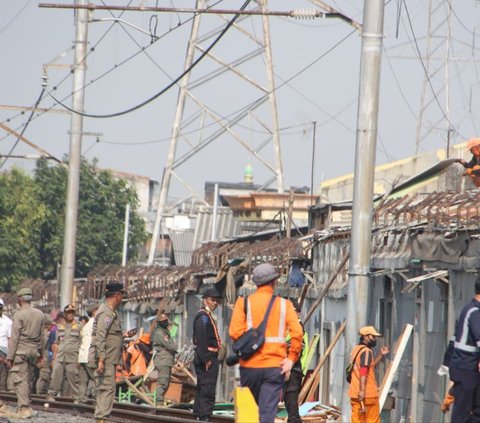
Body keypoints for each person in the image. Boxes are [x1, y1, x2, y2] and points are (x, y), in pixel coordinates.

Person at [229, 263, 303, 423]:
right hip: (274, 367)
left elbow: (234, 332)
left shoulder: (243, 303)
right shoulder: (285, 305)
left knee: (250, 412)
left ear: (255, 282)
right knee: (267, 412)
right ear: (275, 281)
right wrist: (291, 359)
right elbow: (297, 333)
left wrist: (251, 343)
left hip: (249, 367)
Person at [89, 282, 136, 423]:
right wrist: (101, 360)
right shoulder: (106, 313)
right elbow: (100, 336)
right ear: (116, 295)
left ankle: (101, 418)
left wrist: (123, 335)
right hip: (105, 358)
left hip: (109, 358)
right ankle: (101, 419)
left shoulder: (111, 312)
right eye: (121, 295)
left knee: (107, 388)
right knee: (106, 389)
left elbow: (110, 335)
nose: (122, 298)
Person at [6, 287, 45, 419]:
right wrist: (42, 354)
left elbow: (15, 337)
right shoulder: (40, 314)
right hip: (34, 351)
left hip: (21, 351)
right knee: (29, 379)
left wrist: (10, 356)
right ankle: (27, 405)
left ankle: (23, 408)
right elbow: (42, 337)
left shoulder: (19, 314)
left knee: (20, 379)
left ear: (20, 299)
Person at [448, 277, 480, 422]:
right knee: (463, 413)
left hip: (466, 368)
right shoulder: (474, 312)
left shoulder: (469, 309)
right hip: (466, 368)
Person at [192, 286, 223, 421]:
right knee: (207, 387)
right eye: (212, 300)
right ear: (205, 300)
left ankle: (199, 414)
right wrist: (206, 358)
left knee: (203, 386)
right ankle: (204, 416)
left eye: (216, 300)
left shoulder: (207, 315)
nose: (215, 303)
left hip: (209, 356)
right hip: (207, 357)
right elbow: (201, 338)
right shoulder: (203, 317)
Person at [348, 326, 390, 423]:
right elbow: (364, 370)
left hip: (355, 394)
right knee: (372, 420)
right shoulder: (366, 351)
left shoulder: (356, 350)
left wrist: (381, 355)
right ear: (365, 336)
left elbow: (370, 366)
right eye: (373, 336)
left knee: (357, 421)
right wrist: (362, 390)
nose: (374, 339)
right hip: (368, 395)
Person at [47, 304, 81, 400]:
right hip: (60, 356)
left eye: (72, 312)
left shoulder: (79, 326)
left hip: (73, 356)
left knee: (74, 378)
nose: (70, 314)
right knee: (55, 375)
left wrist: (80, 358)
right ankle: (52, 395)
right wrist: (54, 358)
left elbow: (82, 343)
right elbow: (56, 343)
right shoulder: (59, 327)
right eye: (68, 312)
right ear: (65, 314)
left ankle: (76, 397)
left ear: (74, 313)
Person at [284, 299, 307, 423]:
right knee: (289, 403)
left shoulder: (298, 328)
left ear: (297, 313)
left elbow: (294, 347)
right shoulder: (288, 328)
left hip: (294, 370)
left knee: (292, 404)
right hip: (289, 369)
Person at [152, 313, 177, 405]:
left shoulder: (165, 331)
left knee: (165, 383)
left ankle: (160, 401)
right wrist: (174, 347)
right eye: (164, 321)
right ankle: (159, 403)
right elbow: (170, 345)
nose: (166, 322)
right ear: (159, 323)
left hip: (166, 360)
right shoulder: (160, 332)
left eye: (166, 321)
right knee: (163, 382)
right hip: (163, 360)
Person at [77, 303, 99, 402]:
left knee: (83, 381)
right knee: (97, 379)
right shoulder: (96, 323)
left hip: (82, 356)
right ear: (94, 311)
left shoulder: (86, 325)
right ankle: (98, 400)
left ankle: (81, 400)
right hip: (90, 355)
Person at [36, 314, 54, 394]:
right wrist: (42, 357)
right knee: (44, 374)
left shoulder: (37, 331)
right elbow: (43, 345)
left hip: (37, 354)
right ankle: (40, 391)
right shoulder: (45, 333)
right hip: (43, 355)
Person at [0, 298, 12, 391]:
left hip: (3, 350)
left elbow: (10, 339)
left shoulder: (7, 321)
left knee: (3, 373)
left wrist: (9, 356)